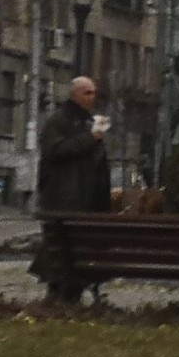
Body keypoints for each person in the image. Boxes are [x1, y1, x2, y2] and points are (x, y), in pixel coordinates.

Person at [33, 76, 113, 303]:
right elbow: (56, 150)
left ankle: (74, 289)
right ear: (74, 94)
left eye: (94, 93)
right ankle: (59, 289)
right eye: (87, 93)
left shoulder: (89, 121)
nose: (92, 97)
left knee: (80, 246)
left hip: (88, 197)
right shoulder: (59, 120)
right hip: (64, 197)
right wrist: (90, 139)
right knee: (61, 246)